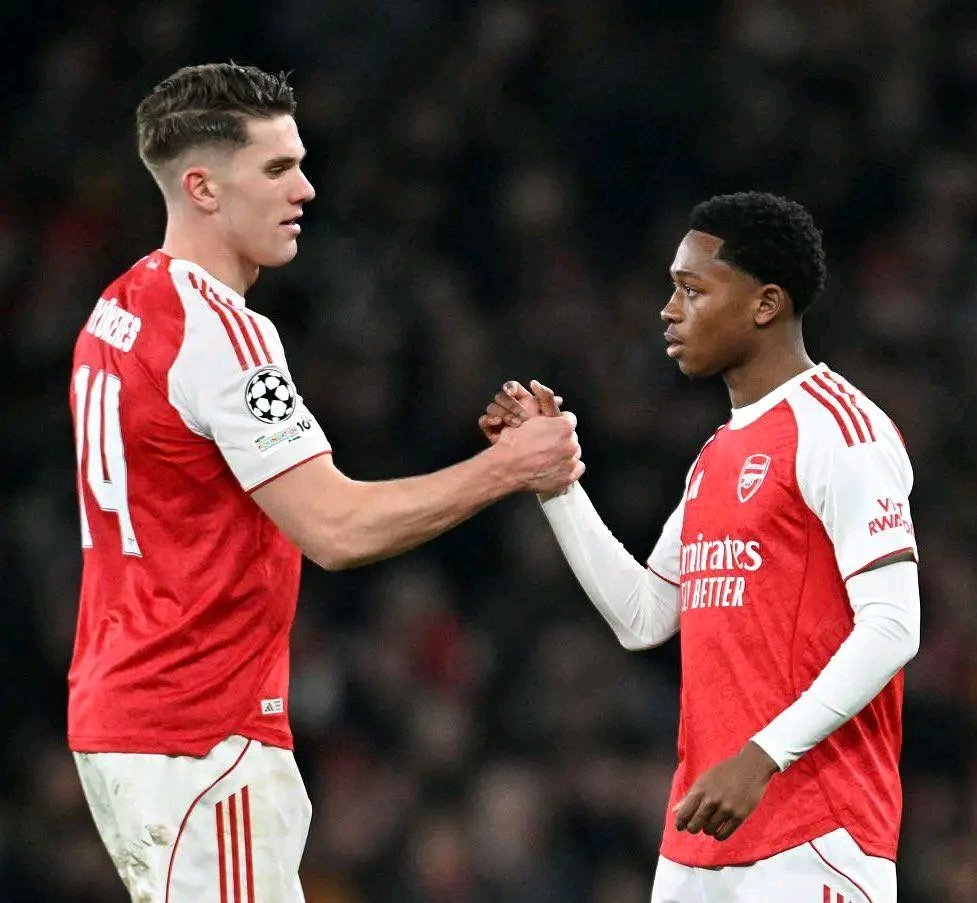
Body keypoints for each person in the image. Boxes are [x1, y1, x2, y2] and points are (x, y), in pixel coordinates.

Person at [67, 62, 584, 902]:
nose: (305, 189)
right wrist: (509, 466)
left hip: (128, 716)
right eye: (276, 168)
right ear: (201, 187)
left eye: (300, 164)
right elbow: (335, 528)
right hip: (201, 731)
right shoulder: (222, 334)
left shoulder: (116, 309)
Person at [479, 192, 919, 901]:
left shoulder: (841, 430)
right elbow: (643, 616)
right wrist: (555, 485)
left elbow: (893, 625)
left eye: (692, 290)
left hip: (815, 834)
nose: (668, 310)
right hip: (699, 838)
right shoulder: (716, 454)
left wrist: (761, 756)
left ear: (765, 304)